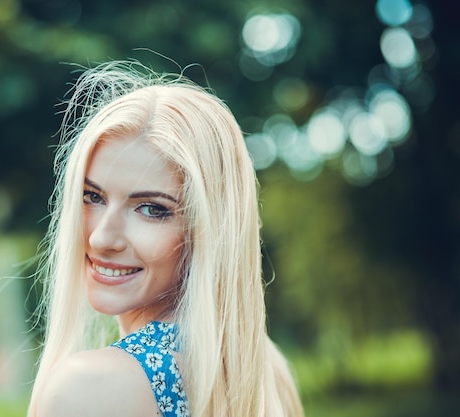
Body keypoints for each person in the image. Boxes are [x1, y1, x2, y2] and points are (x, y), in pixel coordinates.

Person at [27, 60, 304, 417]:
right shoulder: (263, 368)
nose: (101, 238)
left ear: (207, 230)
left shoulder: (90, 388)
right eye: (92, 196)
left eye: (151, 209)